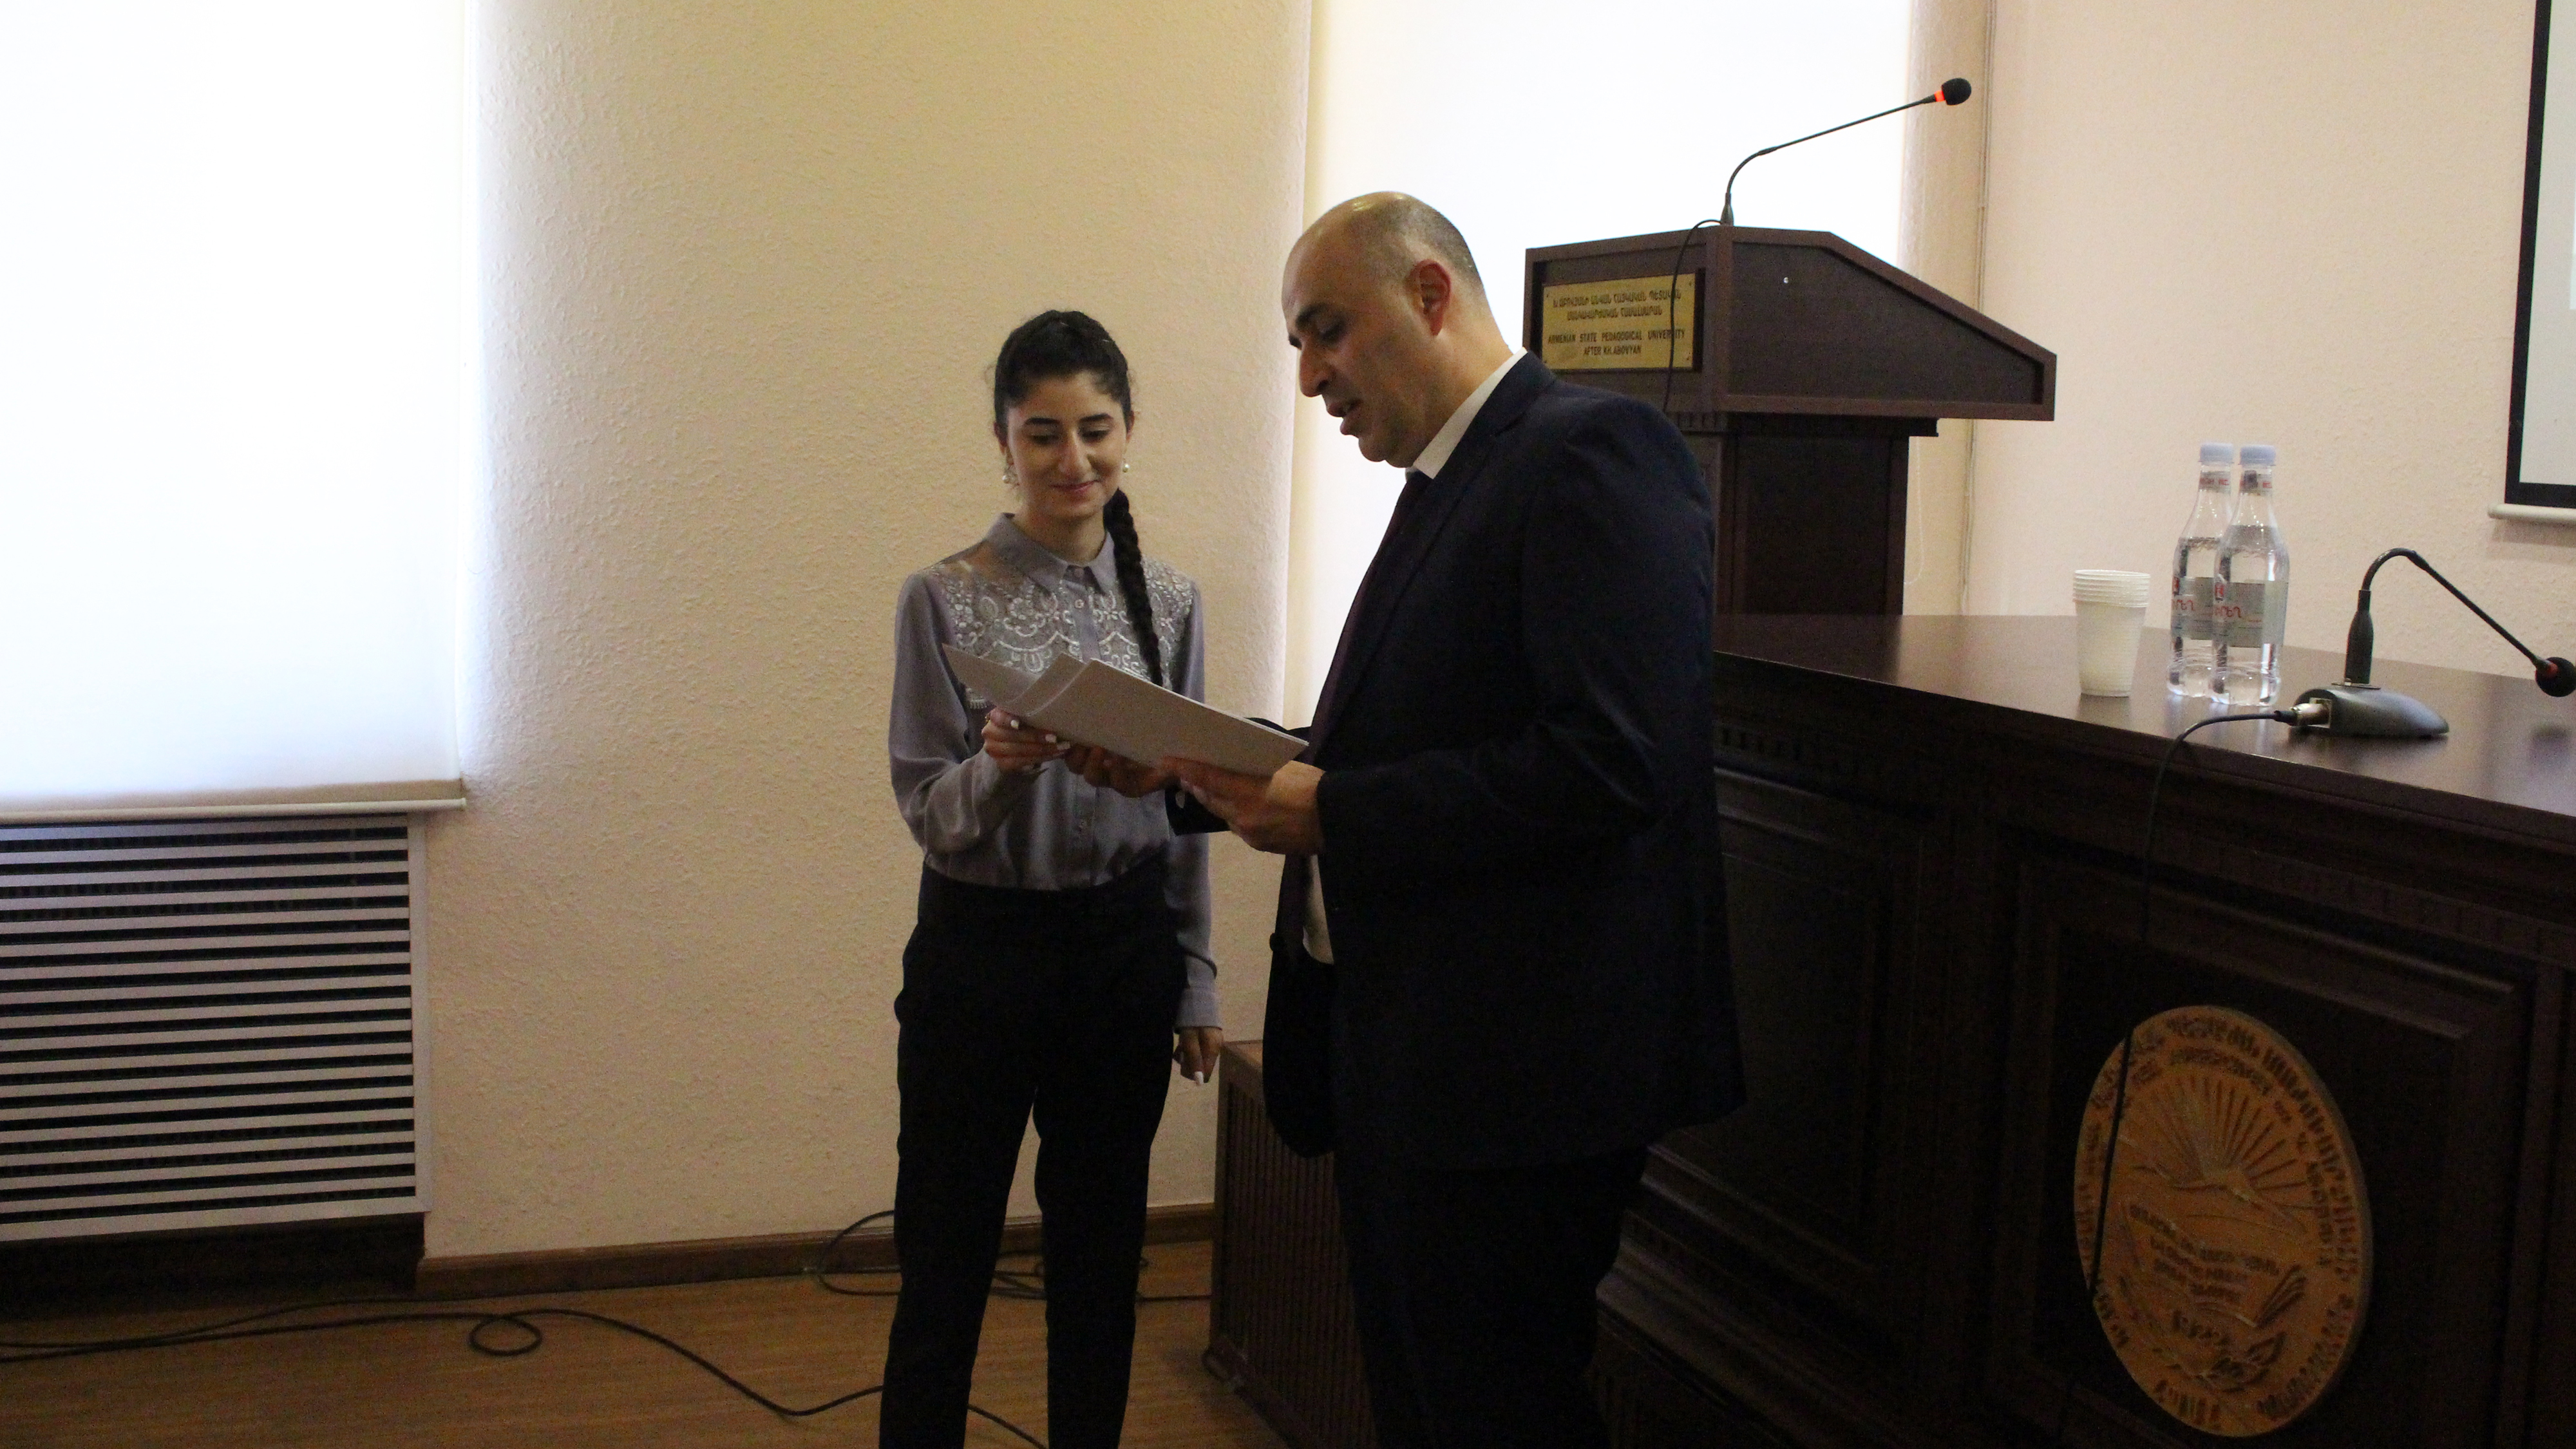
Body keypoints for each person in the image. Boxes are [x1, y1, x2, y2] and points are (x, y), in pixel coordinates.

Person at [1166, 194, 1743, 1449]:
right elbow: (1419, 731)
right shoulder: (1450, 479)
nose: (1310, 377)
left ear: (1428, 295)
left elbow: (1613, 761)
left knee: (1493, 1411)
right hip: (1413, 1054)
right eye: (1297, 345)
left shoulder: (1592, 452)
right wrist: (1197, 765)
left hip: (1519, 1076)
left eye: (1328, 331)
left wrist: (1337, 807)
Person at [883, 309, 1223, 1449]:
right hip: (979, 951)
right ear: (1004, 441)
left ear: (1128, 431)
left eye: (1096, 429)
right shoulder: (942, 595)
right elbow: (928, 809)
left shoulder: (1170, 601)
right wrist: (999, 764)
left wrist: (1195, 979)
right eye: (1044, 434)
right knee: (946, 1248)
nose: (1073, 459)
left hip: (1123, 954)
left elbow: (1186, 810)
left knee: (1101, 1253)